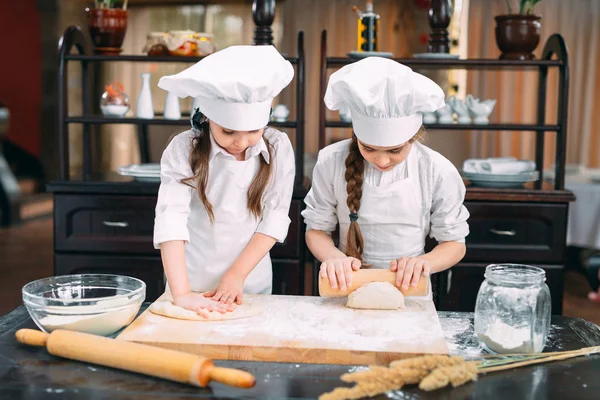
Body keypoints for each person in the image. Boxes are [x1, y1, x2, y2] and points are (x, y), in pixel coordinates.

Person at [302, 57, 469, 296]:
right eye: (368, 148)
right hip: (345, 289)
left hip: (411, 294)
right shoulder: (331, 161)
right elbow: (316, 229)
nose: (381, 161)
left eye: (395, 150)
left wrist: (425, 263)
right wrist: (334, 258)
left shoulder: (437, 170)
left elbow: (454, 243)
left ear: (414, 137)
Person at [153, 45, 296, 316]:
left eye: (254, 131)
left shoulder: (277, 147)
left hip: (250, 282)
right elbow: (171, 218)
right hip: (190, 280)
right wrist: (182, 294)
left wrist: (236, 276)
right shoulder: (184, 148)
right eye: (228, 131)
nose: (241, 143)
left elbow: (275, 217)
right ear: (207, 118)